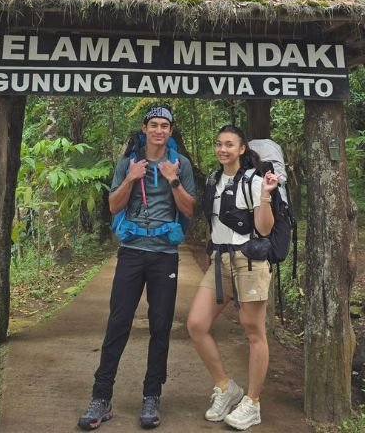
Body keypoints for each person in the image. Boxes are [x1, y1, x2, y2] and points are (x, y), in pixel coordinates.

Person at [78, 106, 197, 430]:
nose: (159, 130)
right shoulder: (127, 163)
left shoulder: (180, 165)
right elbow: (114, 205)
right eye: (154, 125)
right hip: (131, 252)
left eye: (165, 126)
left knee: (160, 326)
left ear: (170, 131)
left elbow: (189, 208)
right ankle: (101, 397)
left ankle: (151, 396)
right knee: (118, 323)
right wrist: (130, 179)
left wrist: (173, 181)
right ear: (145, 129)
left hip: (164, 255)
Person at [186, 125, 278, 431]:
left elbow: (264, 229)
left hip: (249, 261)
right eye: (219, 144)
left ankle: (252, 403)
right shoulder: (214, 179)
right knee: (197, 325)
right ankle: (226, 388)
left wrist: (265, 196)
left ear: (241, 149)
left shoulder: (253, 181)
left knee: (254, 332)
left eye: (229, 144)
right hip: (220, 260)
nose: (222, 149)